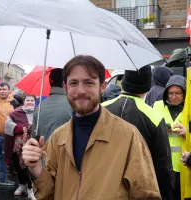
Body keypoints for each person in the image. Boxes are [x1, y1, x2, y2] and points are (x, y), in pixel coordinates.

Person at [22, 55, 161, 200]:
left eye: (89, 83)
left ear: (102, 86)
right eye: (74, 83)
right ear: (65, 87)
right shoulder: (58, 137)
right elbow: (49, 193)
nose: (81, 90)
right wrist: (36, 168)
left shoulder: (128, 136)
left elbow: (146, 194)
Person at [102, 65, 173, 200]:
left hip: (102, 186)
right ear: (148, 86)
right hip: (138, 188)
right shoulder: (154, 116)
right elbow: (163, 165)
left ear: (123, 82)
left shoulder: (101, 109)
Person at [153, 75, 186, 200]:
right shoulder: (157, 106)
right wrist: (160, 129)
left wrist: (187, 132)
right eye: (170, 93)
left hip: (183, 164)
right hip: (162, 164)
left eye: (178, 93)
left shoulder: (189, 108)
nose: (173, 97)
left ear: (185, 93)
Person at [5, 95, 37, 199]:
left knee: (31, 165)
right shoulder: (16, 113)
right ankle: (22, 185)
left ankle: (31, 187)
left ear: (35, 102)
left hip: (34, 143)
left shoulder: (39, 112)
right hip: (18, 145)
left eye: (32, 100)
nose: (30, 102)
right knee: (19, 167)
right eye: (28, 100)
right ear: (24, 101)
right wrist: (23, 128)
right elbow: (8, 124)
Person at [0, 82, 20, 190]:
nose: (2, 91)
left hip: (8, 136)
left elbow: (18, 116)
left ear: (9, 91)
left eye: (4, 89)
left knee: (3, 158)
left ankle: (2, 179)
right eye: (0, 89)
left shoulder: (14, 102)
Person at [31, 68, 72, 142]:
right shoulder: (74, 105)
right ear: (66, 82)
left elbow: (34, 137)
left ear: (50, 81)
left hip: (43, 151)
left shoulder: (39, 107)